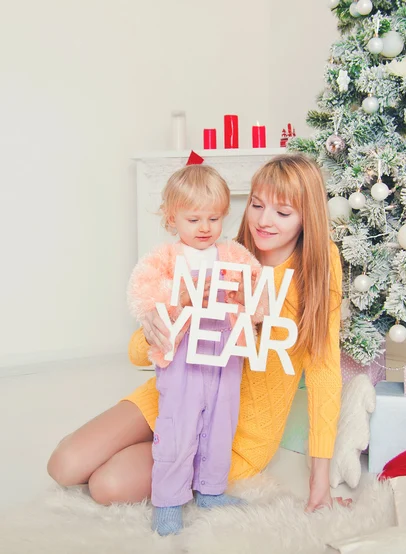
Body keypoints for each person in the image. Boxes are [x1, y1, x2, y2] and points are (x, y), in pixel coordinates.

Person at [48, 153, 345, 513]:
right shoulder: (219, 254)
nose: (264, 221)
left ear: (306, 218)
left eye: (282, 213)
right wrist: (164, 319)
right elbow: (137, 355)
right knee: (63, 465)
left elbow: (324, 371)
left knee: (107, 485)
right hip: (175, 393)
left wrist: (320, 484)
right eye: (256, 205)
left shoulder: (318, 267)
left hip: (233, 432)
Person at [127, 162, 265, 535]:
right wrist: (169, 304)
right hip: (184, 352)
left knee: (222, 422)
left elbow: (257, 287)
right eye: (194, 219)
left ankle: (211, 489)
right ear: (172, 219)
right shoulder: (166, 259)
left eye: (214, 218)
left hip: (226, 349)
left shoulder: (233, 254)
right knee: (178, 425)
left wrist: (252, 301)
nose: (205, 228)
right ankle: (169, 499)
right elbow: (145, 295)